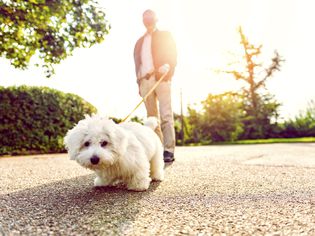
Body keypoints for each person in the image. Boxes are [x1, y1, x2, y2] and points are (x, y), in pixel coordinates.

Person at [134, 9, 177, 163]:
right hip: (145, 81)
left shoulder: (165, 35)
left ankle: (168, 150)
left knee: (166, 115)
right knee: (152, 119)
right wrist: (139, 84)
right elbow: (137, 65)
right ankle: (157, 150)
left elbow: (173, 54)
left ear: (156, 18)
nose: (148, 19)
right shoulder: (139, 42)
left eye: (150, 16)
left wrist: (168, 66)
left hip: (162, 78)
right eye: (145, 17)